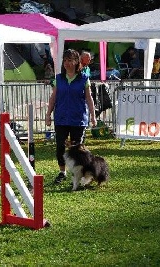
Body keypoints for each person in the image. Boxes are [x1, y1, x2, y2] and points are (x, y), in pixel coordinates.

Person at [45, 49, 97, 184]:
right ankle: (62, 172)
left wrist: (93, 116)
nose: (67, 63)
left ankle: (79, 174)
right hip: (61, 118)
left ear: (76, 62)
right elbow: (53, 98)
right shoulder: (59, 79)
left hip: (78, 118)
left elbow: (89, 99)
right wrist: (48, 114)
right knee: (60, 147)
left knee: (77, 149)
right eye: (65, 60)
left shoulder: (84, 79)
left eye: (70, 60)